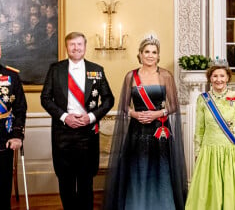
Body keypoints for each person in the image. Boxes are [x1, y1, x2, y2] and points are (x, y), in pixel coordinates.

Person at [103, 34, 187, 210]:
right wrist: (134, 114)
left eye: (154, 52)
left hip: (160, 129)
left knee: (161, 167)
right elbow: (124, 105)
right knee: (137, 167)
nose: (150, 55)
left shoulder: (165, 76)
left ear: (158, 55)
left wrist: (157, 114)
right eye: (146, 51)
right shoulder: (131, 76)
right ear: (140, 54)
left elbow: (173, 105)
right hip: (137, 130)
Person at [41, 32, 114, 210]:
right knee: (65, 181)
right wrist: (65, 117)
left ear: (85, 47)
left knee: (85, 181)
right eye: (72, 44)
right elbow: (45, 98)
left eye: (79, 44)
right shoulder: (55, 69)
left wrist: (90, 117)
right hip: (63, 134)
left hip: (87, 133)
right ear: (67, 47)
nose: (76, 48)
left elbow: (109, 99)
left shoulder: (97, 69)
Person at [185, 58, 235, 210]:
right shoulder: (203, 99)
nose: (218, 79)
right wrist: (198, 152)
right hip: (210, 151)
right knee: (211, 187)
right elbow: (199, 129)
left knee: (231, 188)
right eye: (215, 76)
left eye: (222, 76)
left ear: (227, 78)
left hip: (231, 151)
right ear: (210, 79)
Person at [0, 44, 27, 210]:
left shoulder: (11, 76)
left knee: (2, 187)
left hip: (4, 137)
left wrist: (17, 135)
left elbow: (20, 108)